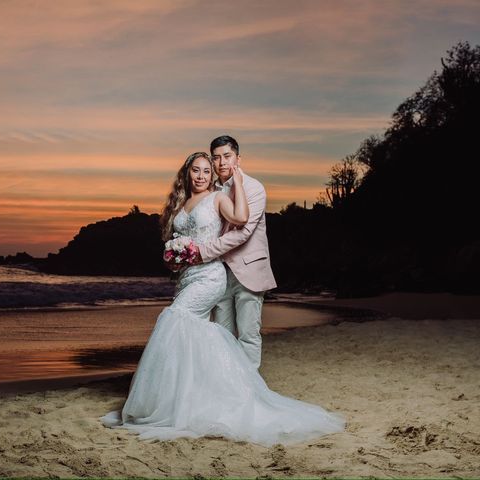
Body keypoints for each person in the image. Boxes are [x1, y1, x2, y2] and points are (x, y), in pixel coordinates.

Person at [100, 151, 345, 446]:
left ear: (212, 176)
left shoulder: (217, 198)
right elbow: (176, 244)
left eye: (206, 171)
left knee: (175, 318)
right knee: (192, 333)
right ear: (186, 173)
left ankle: (181, 403)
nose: (201, 176)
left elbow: (241, 219)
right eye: (196, 170)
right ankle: (192, 398)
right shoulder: (180, 203)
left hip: (210, 277)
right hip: (186, 277)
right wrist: (174, 258)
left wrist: (239, 180)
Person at [193, 135, 276, 369]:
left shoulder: (254, 188)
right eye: (216, 158)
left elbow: (242, 233)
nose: (221, 163)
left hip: (249, 272)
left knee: (248, 335)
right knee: (222, 336)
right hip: (218, 273)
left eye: (227, 157)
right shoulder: (211, 190)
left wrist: (201, 252)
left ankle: (250, 393)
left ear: (238, 158)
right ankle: (228, 388)